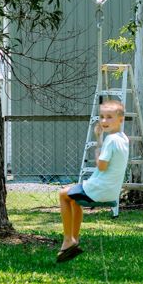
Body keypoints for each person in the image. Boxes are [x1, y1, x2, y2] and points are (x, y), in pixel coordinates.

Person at [56, 99, 130, 261]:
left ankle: (68, 240)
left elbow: (101, 166)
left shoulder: (111, 140)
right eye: (102, 116)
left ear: (121, 119)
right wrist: (99, 137)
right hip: (110, 190)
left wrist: (98, 145)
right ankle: (74, 240)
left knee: (63, 194)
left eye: (109, 117)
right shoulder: (124, 138)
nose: (104, 121)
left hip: (99, 189)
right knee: (74, 199)